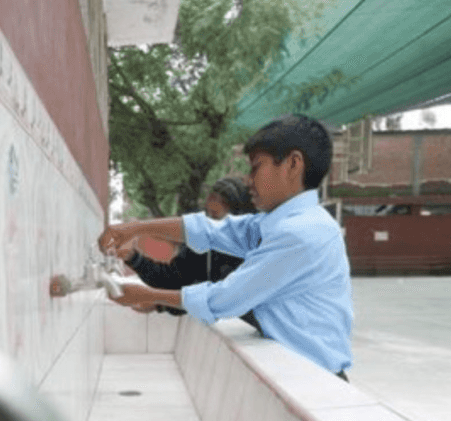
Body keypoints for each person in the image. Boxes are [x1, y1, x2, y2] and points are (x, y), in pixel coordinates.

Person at [99, 114, 353, 378]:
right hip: (297, 372)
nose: (249, 180)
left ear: (292, 164)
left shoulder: (301, 233)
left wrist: (150, 296)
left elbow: (226, 299)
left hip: (317, 379)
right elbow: (210, 230)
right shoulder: (277, 223)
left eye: (256, 167)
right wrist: (135, 228)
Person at [115, 177, 256, 320]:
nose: (209, 224)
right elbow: (173, 280)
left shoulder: (251, 251)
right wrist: (133, 258)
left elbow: (216, 298)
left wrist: (160, 302)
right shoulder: (203, 244)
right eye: (207, 215)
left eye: (215, 217)